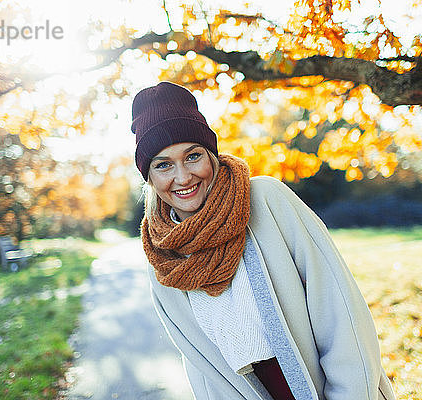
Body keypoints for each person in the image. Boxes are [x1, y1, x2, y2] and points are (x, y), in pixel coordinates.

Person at [131, 81, 396, 400]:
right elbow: (203, 366)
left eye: (193, 156)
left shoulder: (266, 201)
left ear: (211, 155)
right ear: (149, 176)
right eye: (163, 165)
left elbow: (339, 309)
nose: (183, 176)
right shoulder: (161, 256)